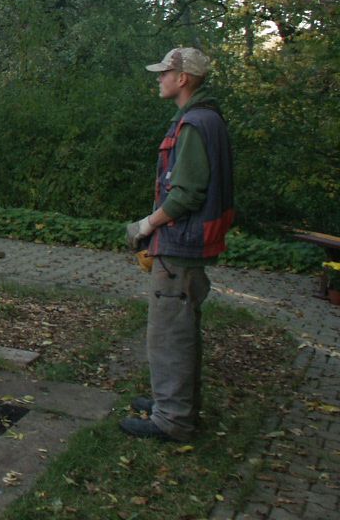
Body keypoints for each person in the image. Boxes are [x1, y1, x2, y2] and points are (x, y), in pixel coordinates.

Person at [122, 46, 234, 441]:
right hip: (190, 245)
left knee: (169, 333)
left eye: (164, 73)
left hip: (180, 246)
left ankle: (171, 420)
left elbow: (185, 195)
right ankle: (173, 403)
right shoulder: (207, 119)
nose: (159, 79)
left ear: (182, 78)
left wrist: (146, 225)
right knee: (180, 328)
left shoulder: (193, 125)